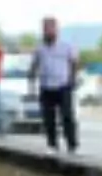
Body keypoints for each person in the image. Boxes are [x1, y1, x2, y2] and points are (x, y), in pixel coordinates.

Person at [27, 17, 80, 155]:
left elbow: (74, 62)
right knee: (48, 117)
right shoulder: (39, 48)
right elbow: (34, 65)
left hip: (63, 85)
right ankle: (52, 144)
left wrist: (72, 79)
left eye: (51, 29)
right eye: (45, 29)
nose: (48, 32)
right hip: (46, 86)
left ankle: (72, 144)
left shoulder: (66, 45)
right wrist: (31, 82)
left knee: (67, 116)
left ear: (56, 30)